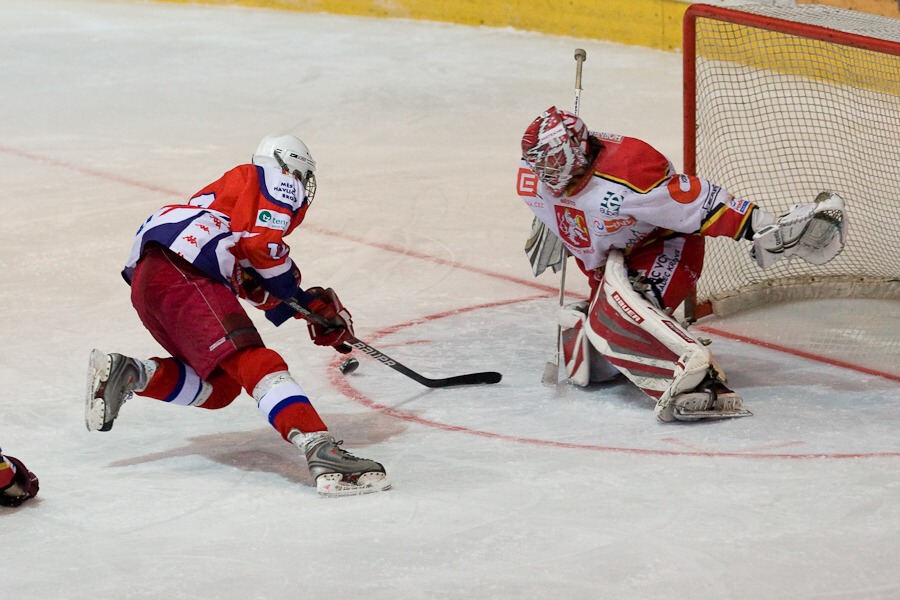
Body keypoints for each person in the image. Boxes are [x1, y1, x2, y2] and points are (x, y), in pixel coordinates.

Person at [85, 134, 390, 496]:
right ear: (290, 167)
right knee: (255, 360)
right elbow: (263, 248)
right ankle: (321, 450)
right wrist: (297, 292)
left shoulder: (227, 210)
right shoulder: (274, 177)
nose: (300, 187)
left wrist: (310, 310)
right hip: (183, 271)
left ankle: (131, 374)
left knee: (219, 387)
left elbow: (254, 282)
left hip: (152, 282)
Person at [517, 106, 847, 421]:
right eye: (538, 163)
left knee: (632, 308)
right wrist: (551, 224)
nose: (543, 172)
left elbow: (701, 202)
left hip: (665, 245)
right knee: (598, 360)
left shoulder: (630, 171)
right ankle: (645, 330)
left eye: (551, 161)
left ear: (576, 152)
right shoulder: (534, 180)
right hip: (609, 266)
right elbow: (560, 206)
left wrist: (763, 227)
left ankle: (704, 382)